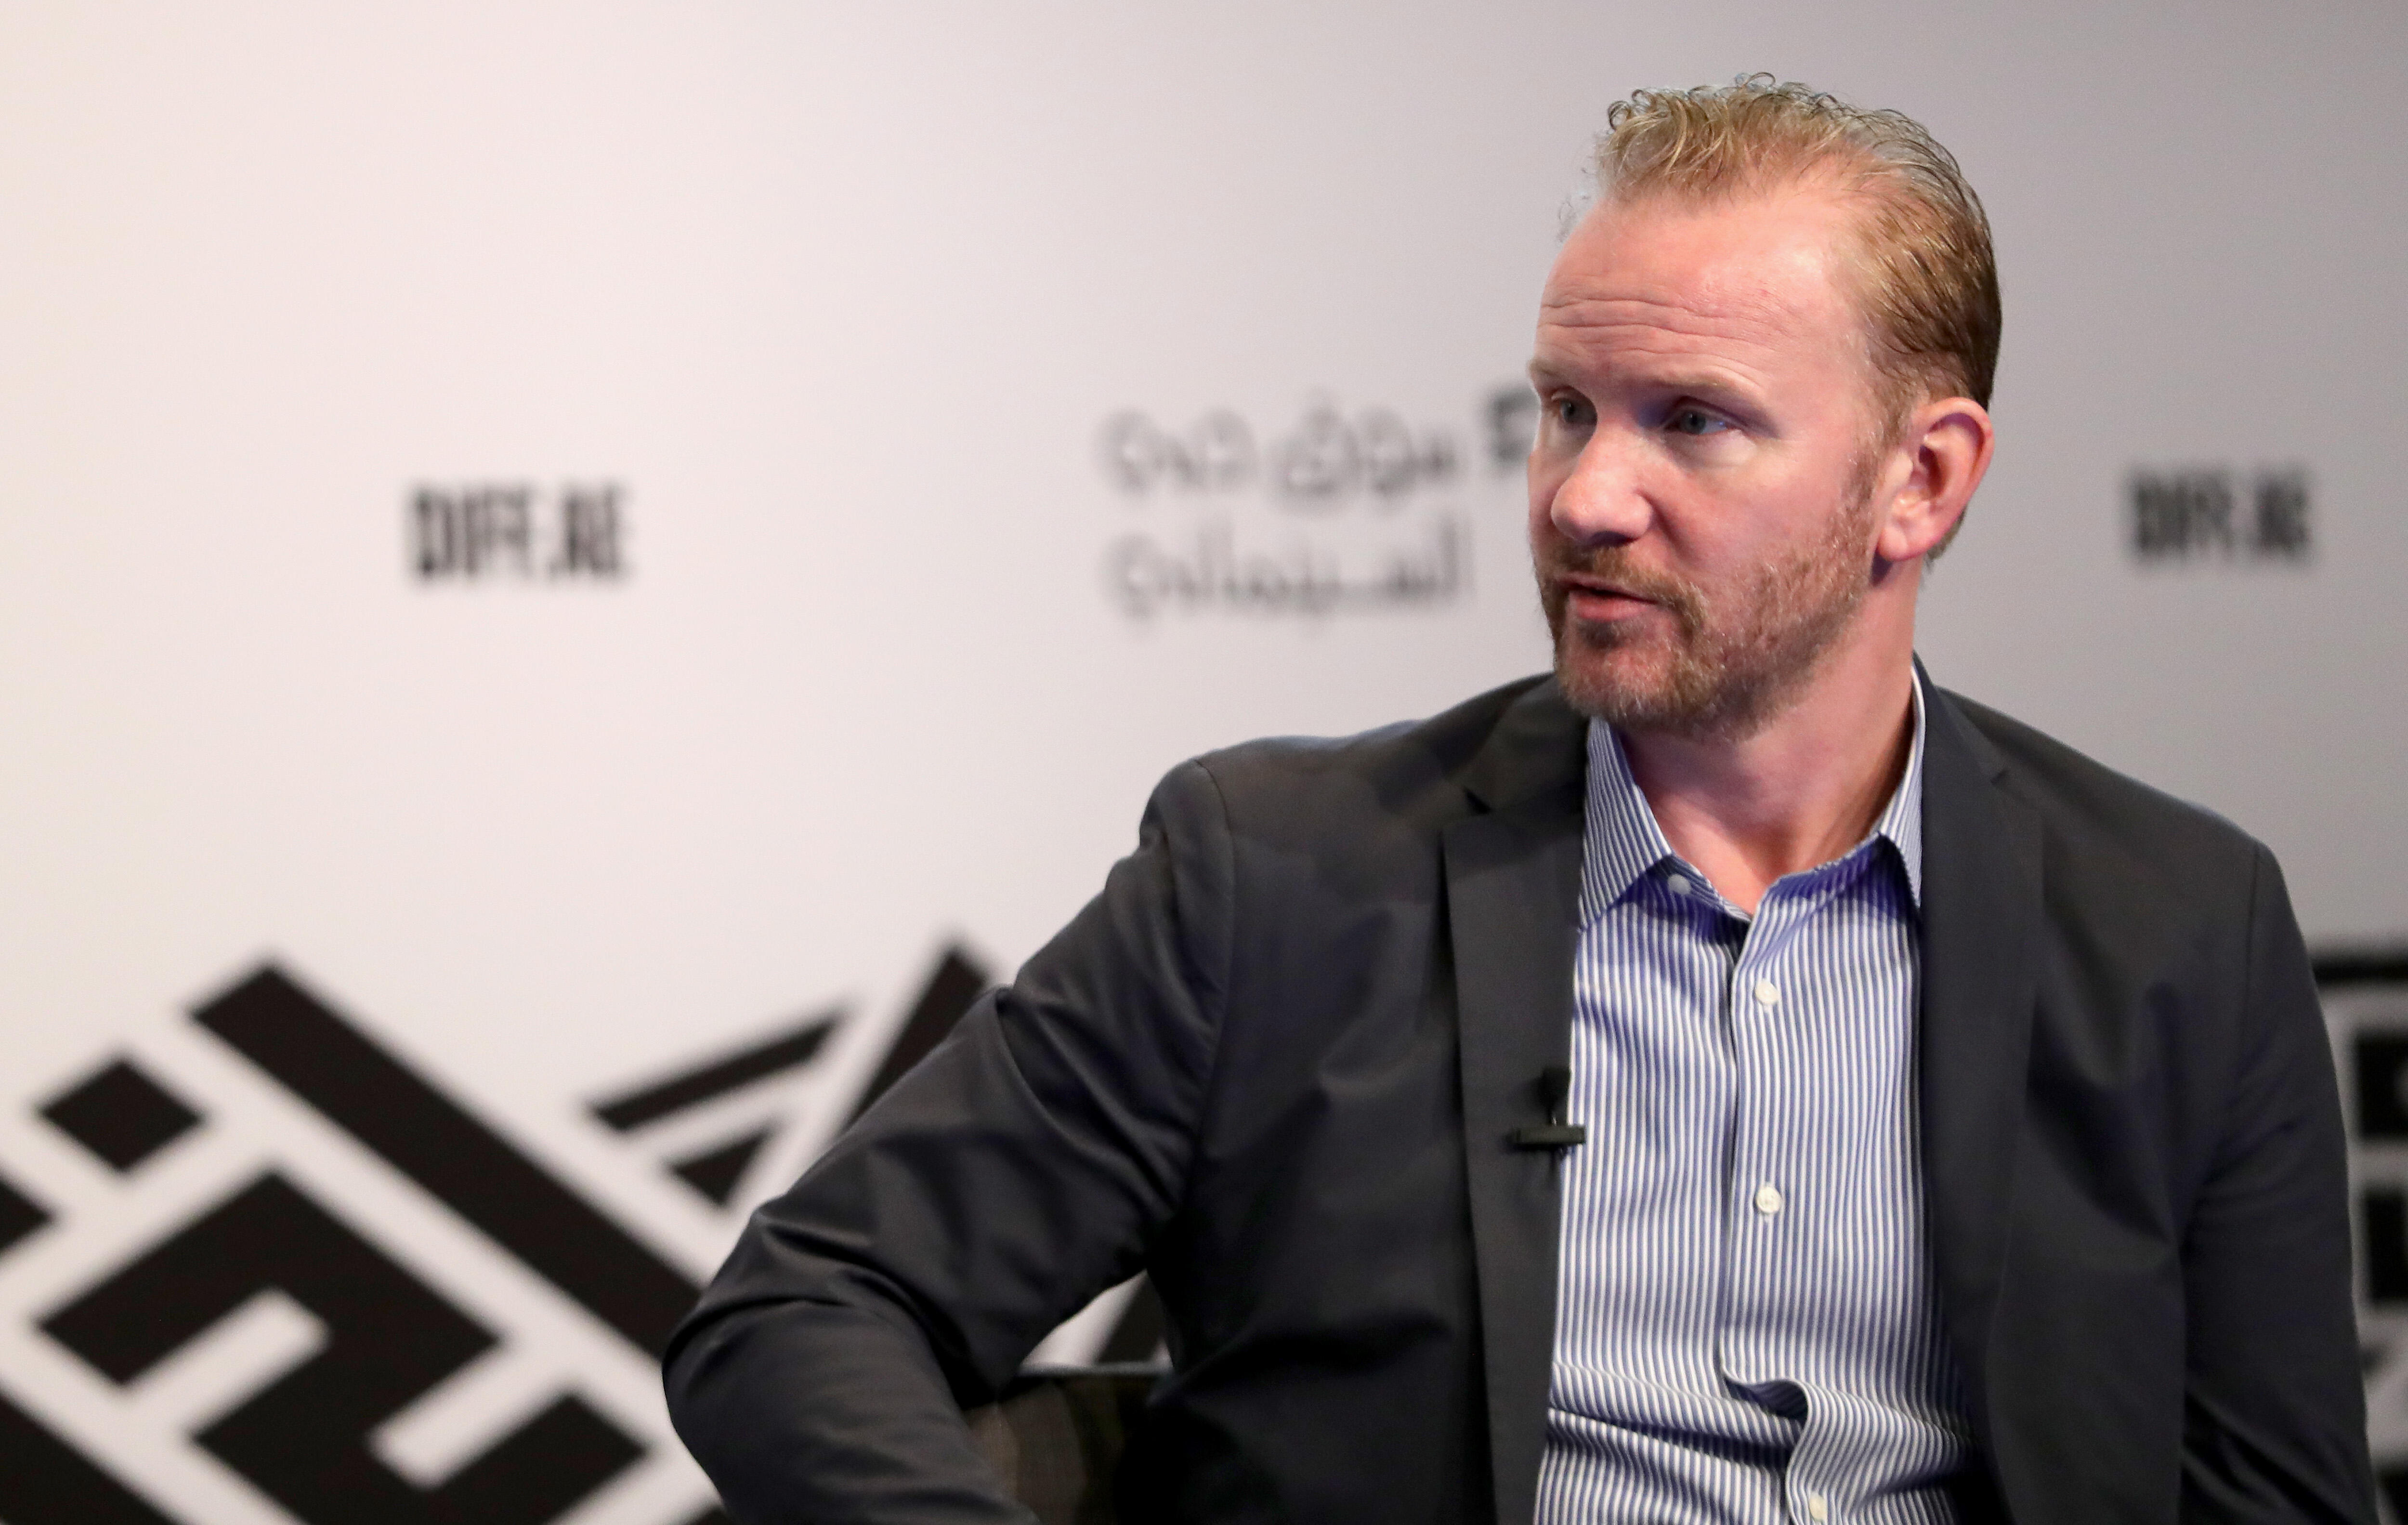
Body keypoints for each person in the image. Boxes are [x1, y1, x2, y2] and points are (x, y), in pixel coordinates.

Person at [663, 78, 2375, 1523]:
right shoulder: (1274, 883)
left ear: (1920, 481)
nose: (1585, 497)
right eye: (1565, 411)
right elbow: (807, 1309)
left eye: (1693, 423)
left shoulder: (2178, 928)